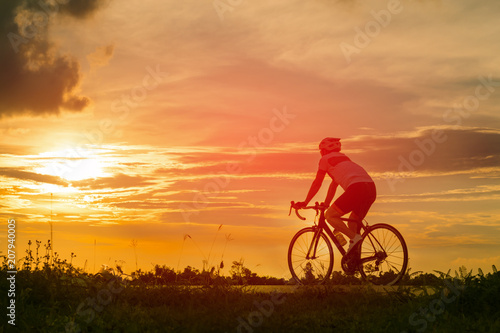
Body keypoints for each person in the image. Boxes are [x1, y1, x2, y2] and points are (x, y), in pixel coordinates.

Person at [294, 137, 376, 255]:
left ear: (324, 150)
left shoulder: (325, 159)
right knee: (352, 222)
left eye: (321, 150)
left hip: (357, 188)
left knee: (330, 216)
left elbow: (317, 183)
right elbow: (334, 185)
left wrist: (305, 202)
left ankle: (356, 238)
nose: (321, 153)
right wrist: (326, 204)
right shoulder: (344, 159)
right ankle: (355, 259)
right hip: (371, 189)